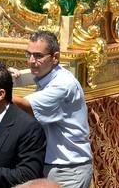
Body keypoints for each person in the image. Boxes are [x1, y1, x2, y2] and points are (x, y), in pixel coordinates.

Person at [10, 32, 93, 188]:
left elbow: (27, 107)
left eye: (38, 56)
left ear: (55, 57)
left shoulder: (63, 84)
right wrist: (15, 77)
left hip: (69, 170)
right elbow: (33, 73)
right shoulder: (47, 72)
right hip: (55, 166)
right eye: (28, 55)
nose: (31, 61)